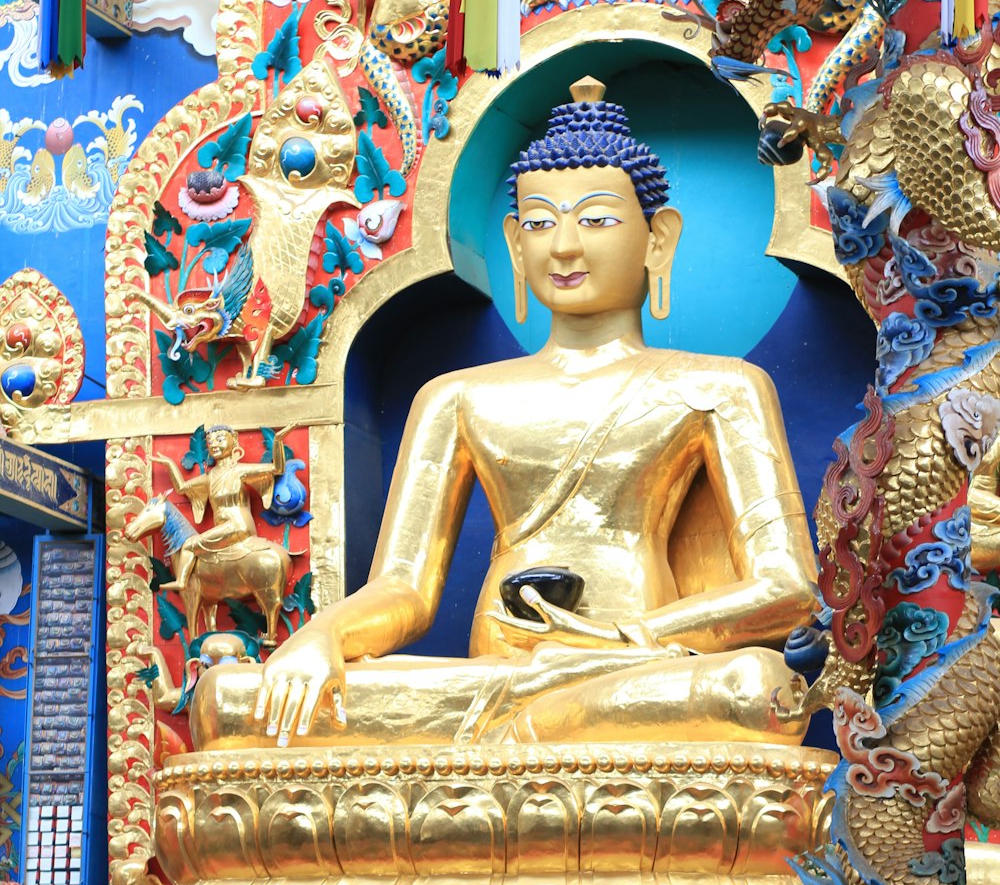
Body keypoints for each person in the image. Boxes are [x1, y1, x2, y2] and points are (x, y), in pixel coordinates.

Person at [192, 78, 815, 755]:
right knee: (231, 703)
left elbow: (788, 589)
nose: (564, 247)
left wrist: (626, 639)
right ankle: (527, 730)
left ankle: (518, 738)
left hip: (636, 670)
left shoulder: (719, 387)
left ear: (657, 240)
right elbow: (405, 589)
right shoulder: (455, 397)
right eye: (541, 223)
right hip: (491, 674)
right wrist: (323, 637)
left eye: (598, 219)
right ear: (515, 244)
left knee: (759, 687)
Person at [153, 423, 294, 597]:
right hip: (225, 527)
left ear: (233, 441)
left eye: (220, 439)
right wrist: (170, 465)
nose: (214, 444)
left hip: (238, 524)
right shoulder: (211, 476)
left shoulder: (240, 470)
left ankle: (182, 581)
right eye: (210, 442)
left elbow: (276, 469)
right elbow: (182, 487)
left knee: (189, 544)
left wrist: (278, 441)